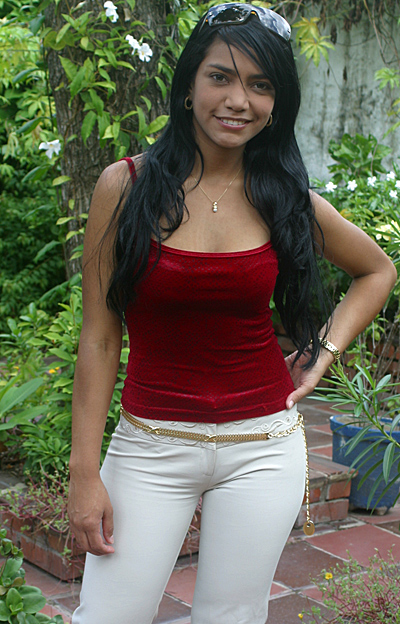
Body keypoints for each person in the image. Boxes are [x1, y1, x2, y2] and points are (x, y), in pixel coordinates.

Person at [68, 4, 397, 623]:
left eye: (261, 84)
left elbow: (378, 270)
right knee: (107, 615)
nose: (238, 99)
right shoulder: (127, 186)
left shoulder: (285, 197)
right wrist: (84, 471)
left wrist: (323, 354)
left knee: (233, 616)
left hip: (264, 448)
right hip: (150, 447)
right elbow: (100, 337)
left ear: (277, 101)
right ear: (190, 84)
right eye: (221, 76)